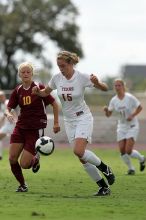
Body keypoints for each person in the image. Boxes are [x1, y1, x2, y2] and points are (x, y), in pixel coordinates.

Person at [32, 50, 115, 196]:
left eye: (63, 66)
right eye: (58, 66)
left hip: (83, 117)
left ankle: (105, 168)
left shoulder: (82, 77)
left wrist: (97, 83)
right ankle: (103, 187)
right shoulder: (57, 78)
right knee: (81, 157)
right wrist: (38, 92)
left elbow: (105, 88)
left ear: (71, 64)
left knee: (78, 151)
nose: (60, 69)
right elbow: (46, 92)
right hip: (69, 121)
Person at [5, 62, 60, 192]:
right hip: (20, 128)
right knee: (12, 158)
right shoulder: (17, 90)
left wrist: (56, 123)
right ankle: (22, 185)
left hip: (35, 129)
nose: (25, 74)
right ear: (19, 74)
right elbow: (8, 108)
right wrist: (8, 114)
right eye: (23, 72)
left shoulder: (39, 87)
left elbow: (55, 104)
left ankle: (35, 159)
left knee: (24, 164)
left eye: (28, 72)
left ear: (32, 74)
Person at [104, 79, 145, 175]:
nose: (117, 87)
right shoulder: (113, 100)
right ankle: (131, 169)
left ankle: (142, 158)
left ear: (123, 86)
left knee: (128, 150)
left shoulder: (130, 97)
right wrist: (106, 110)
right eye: (115, 86)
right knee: (122, 150)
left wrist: (132, 115)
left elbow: (140, 107)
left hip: (132, 126)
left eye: (119, 85)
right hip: (121, 126)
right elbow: (108, 114)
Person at [0, 91, 16, 160]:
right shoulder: (2, 104)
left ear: (3, 96)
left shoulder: (7, 102)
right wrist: (1, 122)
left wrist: (15, 121)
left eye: (1, 96)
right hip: (7, 125)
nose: (0, 98)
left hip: (11, 125)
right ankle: (0, 155)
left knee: (18, 141)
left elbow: (13, 112)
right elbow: (4, 114)